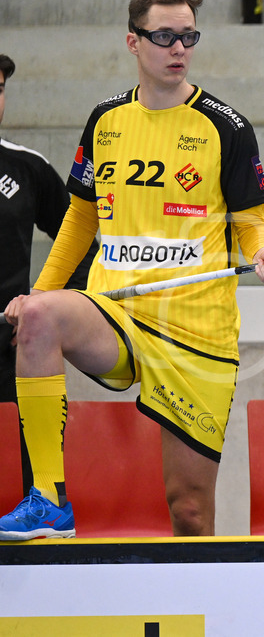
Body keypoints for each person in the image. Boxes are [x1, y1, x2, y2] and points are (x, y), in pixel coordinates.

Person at [0, 0, 264, 541]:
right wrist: (41, 291)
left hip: (196, 331)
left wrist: (262, 252)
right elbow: (80, 219)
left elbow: (250, 220)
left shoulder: (225, 127)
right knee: (38, 318)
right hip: (118, 311)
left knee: (189, 510)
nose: (177, 47)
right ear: (133, 42)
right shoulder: (105, 121)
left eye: (187, 36)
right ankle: (48, 498)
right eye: (164, 36)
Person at [0, 54, 99, 497]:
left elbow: (80, 247)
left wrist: (47, 309)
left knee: (32, 483)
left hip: (10, 354)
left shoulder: (27, 168)